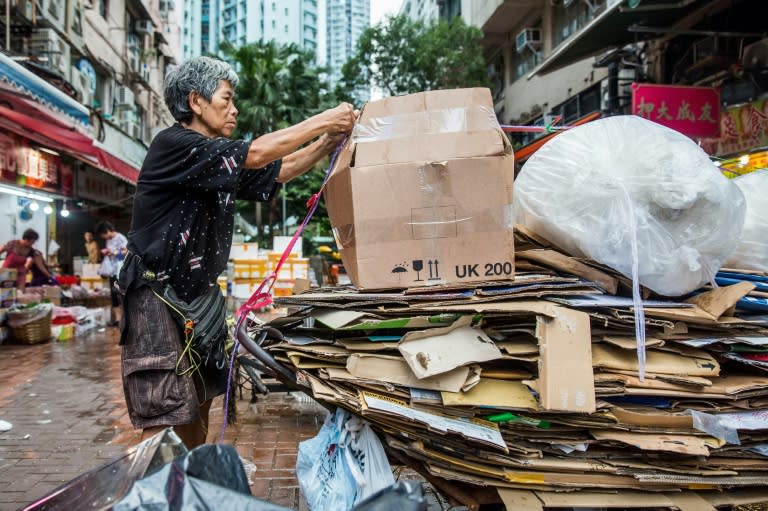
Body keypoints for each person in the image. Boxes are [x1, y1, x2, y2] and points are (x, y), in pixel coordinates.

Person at [116, 55, 357, 449]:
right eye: (226, 99)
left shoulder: (214, 159)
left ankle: (193, 484)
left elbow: (279, 168)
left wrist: (329, 140)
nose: (235, 109)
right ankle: (154, 495)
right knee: (163, 410)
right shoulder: (174, 144)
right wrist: (326, 119)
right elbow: (259, 154)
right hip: (156, 298)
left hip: (198, 300)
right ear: (196, 101)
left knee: (200, 403)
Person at [95, 221, 127, 326]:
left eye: (103, 234)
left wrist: (113, 252)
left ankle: (126, 318)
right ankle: (118, 320)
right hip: (112, 272)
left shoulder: (121, 238)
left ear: (107, 231)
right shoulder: (108, 240)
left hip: (121, 271)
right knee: (114, 295)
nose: (103, 237)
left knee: (122, 294)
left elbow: (126, 252)